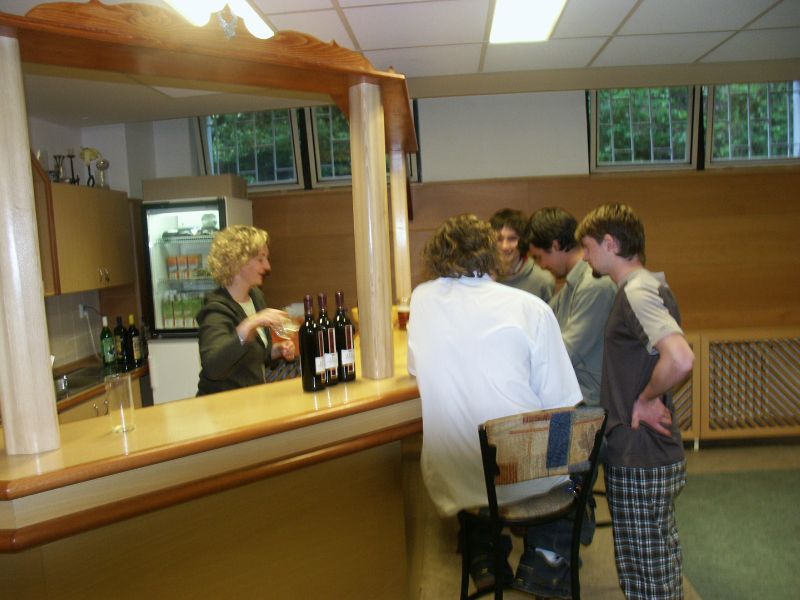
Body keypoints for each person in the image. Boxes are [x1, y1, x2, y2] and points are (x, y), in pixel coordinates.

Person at [407, 214, 582, 596]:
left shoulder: (420, 300)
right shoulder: (530, 308)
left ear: (436, 255)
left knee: (480, 444)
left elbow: (417, 369)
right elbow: (562, 403)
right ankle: (545, 558)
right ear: (492, 252)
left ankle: (484, 554)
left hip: (452, 473)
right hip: (519, 476)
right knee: (579, 455)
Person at [576, 203, 694, 600]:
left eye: (588, 247)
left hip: (641, 453)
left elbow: (680, 358)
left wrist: (645, 398)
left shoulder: (638, 290)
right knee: (653, 564)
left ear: (610, 243)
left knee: (646, 574)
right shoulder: (642, 287)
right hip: (644, 451)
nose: (585, 256)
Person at [527, 207, 616, 408]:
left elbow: (566, 352)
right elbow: (540, 325)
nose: (541, 266)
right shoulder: (573, 284)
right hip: (576, 397)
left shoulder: (595, 284)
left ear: (555, 245)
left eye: (539, 257)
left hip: (591, 404)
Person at [196, 225, 295, 395]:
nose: (268, 267)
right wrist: (250, 324)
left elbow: (249, 356)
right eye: (260, 259)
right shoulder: (215, 310)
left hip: (250, 400)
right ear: (238, 261)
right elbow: (213, 366)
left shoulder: (256, 297)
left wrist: (276, 350)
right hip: (222, 405)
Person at [490, 208, 554, 301]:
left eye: (512, 239)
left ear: (524, 241)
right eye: (499, 239)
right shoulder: (483, 277)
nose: (505, 246)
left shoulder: (543, 280)